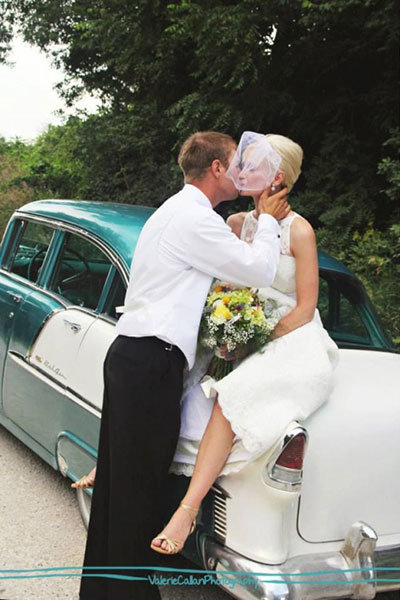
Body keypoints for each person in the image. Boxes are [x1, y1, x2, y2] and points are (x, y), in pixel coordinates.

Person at [78, 130, 290, 600]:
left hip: (132, 355)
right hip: (149, 360)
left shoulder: (173, 211)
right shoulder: (194, 219)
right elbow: (257, 270)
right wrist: (270, 221)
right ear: (216, 168)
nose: (241, 171)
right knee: (138, 492)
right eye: (235, 163)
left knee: (119, 487)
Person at [150, 132, 339, 555]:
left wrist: (254, 341)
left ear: (279, 178)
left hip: (290, 334)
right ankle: (111, 465)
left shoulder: (300, 231)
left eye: (255, 165)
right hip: (240, 329)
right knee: (175, 370)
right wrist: (225, 332)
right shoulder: (236, 224)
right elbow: (223, 286)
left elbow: (305, 309)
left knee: (230, 396)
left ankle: (187, 509)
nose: (243, 171)